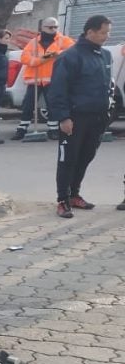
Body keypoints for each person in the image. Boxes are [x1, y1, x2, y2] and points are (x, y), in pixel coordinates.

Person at [47, 14, 113, 218]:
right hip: (75, 118)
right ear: (90, 32)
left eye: (108, 32)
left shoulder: (105, 56)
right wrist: (63, 117)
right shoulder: (70, 56)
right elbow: (58, 90)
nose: (107, 36)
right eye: (103, 32)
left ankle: (75, 194)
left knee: (86, 156)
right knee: (68, 159)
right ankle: (62, 200)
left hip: (98, 118)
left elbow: (106, 85)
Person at [12, 17, 74, 140]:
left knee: (52, 105)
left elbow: (73, 51)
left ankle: (53, 129)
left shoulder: (63, 40)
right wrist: (40, 59)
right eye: (50, 27)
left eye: (55, 27)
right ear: (42, 28)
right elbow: (24, 57)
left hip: (52, 78)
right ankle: (22, 129)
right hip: (34, 79)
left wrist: (57, 55)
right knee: (28, 105)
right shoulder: (34, 42)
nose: (53, 29)